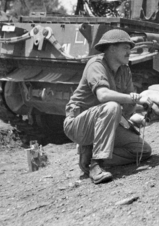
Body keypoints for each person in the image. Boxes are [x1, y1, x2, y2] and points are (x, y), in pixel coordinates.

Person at [64, 29, 151, 184]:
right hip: (78, 124)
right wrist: (132, 99)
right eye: (125, 47)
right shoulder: (96, 65)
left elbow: (129, 101)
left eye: (129, 48)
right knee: (112, 106)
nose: (129, 52)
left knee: (142, 151)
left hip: (104, 123)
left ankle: (90, 154)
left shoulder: (124, 70)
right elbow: (103, 95)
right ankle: (97, 165)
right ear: (112, 48)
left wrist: (141, 105)